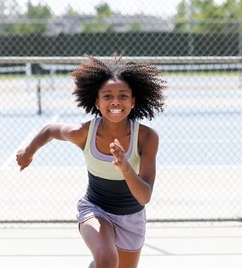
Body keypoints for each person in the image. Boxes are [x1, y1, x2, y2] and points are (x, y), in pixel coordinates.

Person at [16, 55, 166, 268]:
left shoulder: (147, 137)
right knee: (106, 259)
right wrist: (28, 152)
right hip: (96, 209)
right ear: (97, 102)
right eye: (107, 96)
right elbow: (50, 130)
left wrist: (125, 166)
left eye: (123, 96)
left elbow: (144, 196)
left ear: (133, 101)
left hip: (131, 216)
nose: (115, 101)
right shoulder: (84, 133)